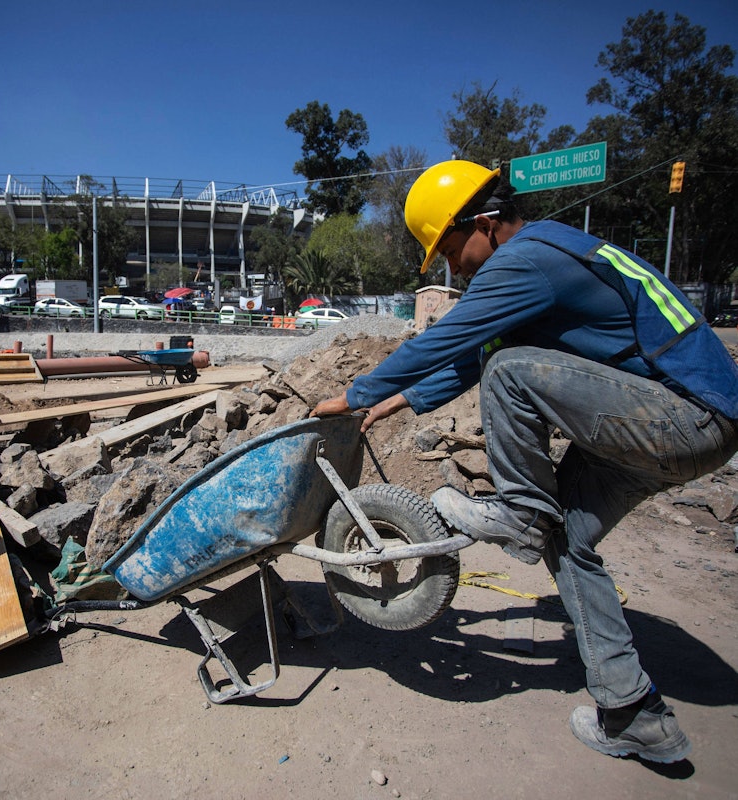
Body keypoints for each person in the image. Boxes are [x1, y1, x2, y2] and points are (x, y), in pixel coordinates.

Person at [311, 160, 738, 764]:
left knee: (512, 375)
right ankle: (633, 714)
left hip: (685, 412)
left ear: (483, 222)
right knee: (565, 538)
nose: (453, 266)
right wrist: (393, 402)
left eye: (451, 248)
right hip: (689, 424)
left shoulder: (525, 259)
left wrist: (355, 393)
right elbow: (474, 353)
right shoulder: (539, 263)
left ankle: (518, 511)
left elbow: (451, 338)